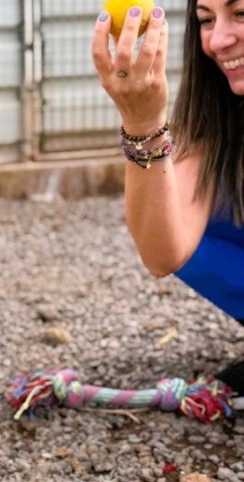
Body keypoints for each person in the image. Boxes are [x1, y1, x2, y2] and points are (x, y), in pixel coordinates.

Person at [91, 0, 244, 393]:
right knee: (185, 214)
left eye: (241, 14)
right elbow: (163, 252)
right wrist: (143, 123)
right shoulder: (220, 117)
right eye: (206, 20)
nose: (218, 40)